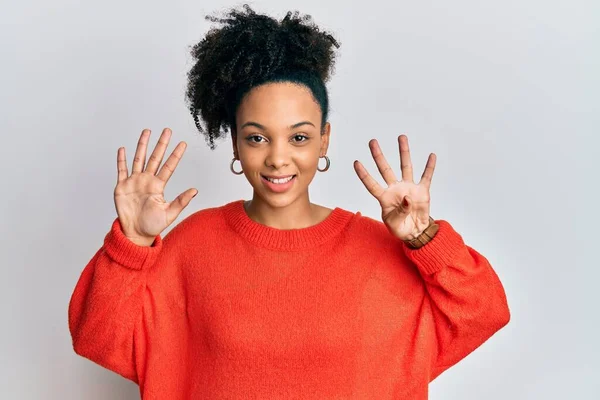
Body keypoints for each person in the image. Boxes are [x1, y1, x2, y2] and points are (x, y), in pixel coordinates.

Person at [68, 4, 510, 399]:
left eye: (299, 137)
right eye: (257, 137)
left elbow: (483, 312)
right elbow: (98, 336)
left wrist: (423, 237)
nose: (278, 158)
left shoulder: (378, 249)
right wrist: (132, 244)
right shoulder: (193, 244)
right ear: (236, 147)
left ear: (324, 141)